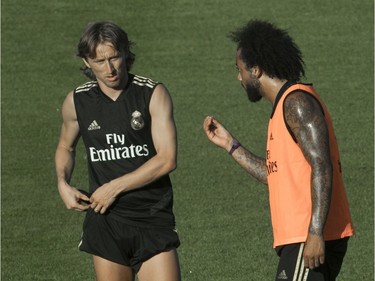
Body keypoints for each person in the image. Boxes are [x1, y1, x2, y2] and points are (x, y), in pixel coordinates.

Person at [203, 20, 355, 281]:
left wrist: (316, 232)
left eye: (240, 70)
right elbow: (276, 175)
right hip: (302, 237)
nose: (239, 77)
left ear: (256, 69)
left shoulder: (296, 103)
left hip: (309, 236)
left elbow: (322, 164)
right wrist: (231, 145)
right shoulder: (282, 110)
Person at [55, 21, 181, 281]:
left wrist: (114, 187)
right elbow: (65, 147)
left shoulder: (152, 94)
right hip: (105, 223)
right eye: (99, 61)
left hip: (151, 217)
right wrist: (62, 182)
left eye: (114, 57)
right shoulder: (77, 102)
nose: (109, 68)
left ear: (125, 53)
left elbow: (167, 159)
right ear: (87, 62)